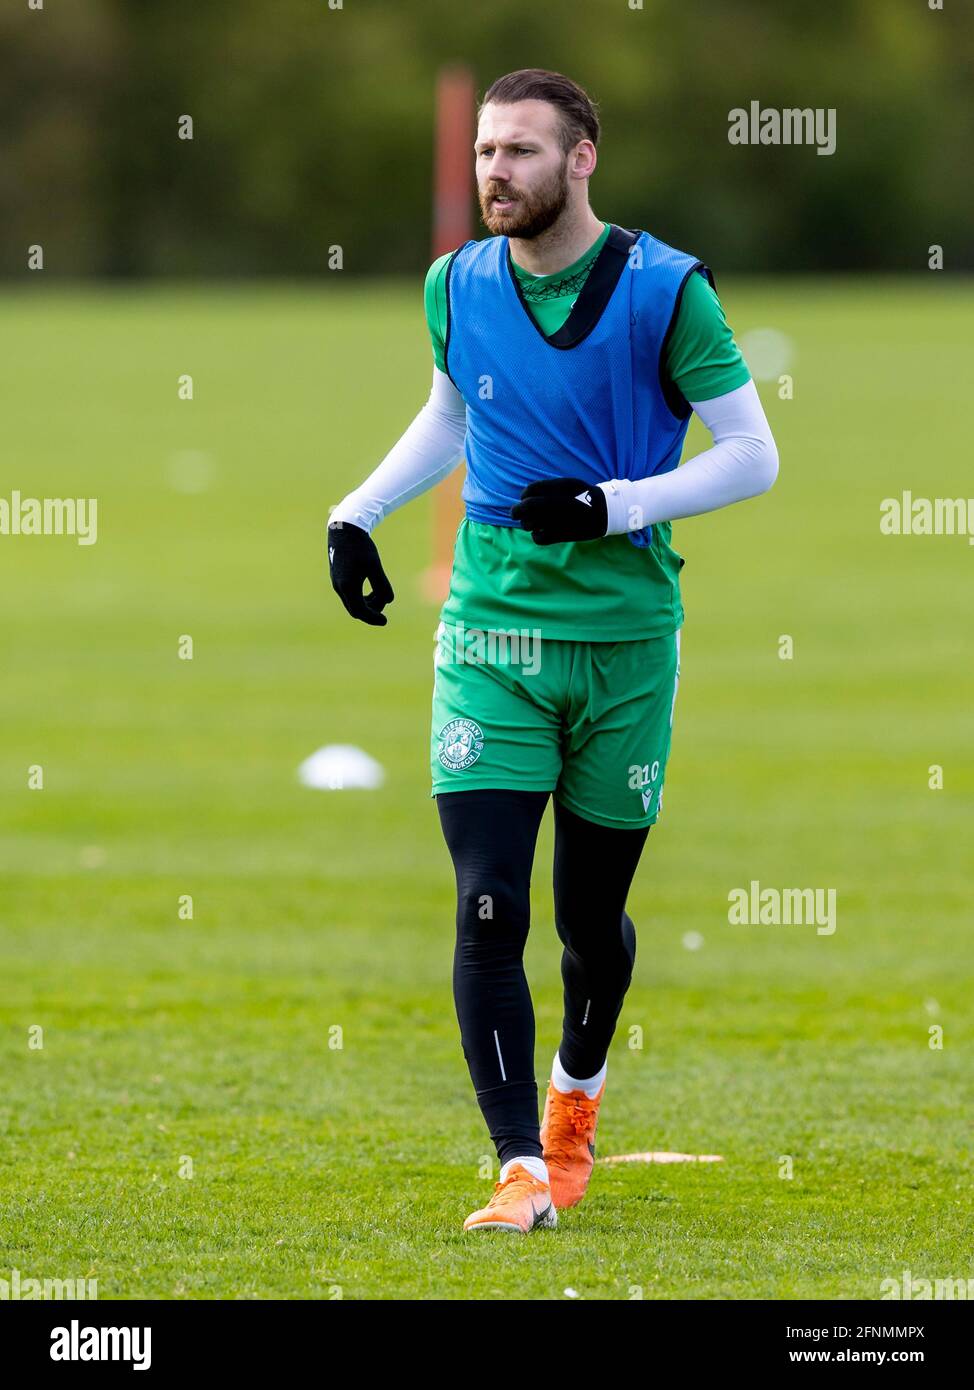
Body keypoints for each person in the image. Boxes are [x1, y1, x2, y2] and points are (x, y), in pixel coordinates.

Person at [328, 68, 778, 1233]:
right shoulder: (454, 284)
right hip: (489, 631)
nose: (495, 172)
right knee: (487, 904)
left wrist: (615, 505)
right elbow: (453, 414)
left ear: (580, 159)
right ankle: (520, 1164)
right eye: (486, 151)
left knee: (589, 923)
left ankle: (577, 1099)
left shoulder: (666, 289)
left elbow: (750, 453)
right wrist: (354, 514)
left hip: (626, 641)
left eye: (522, 151)